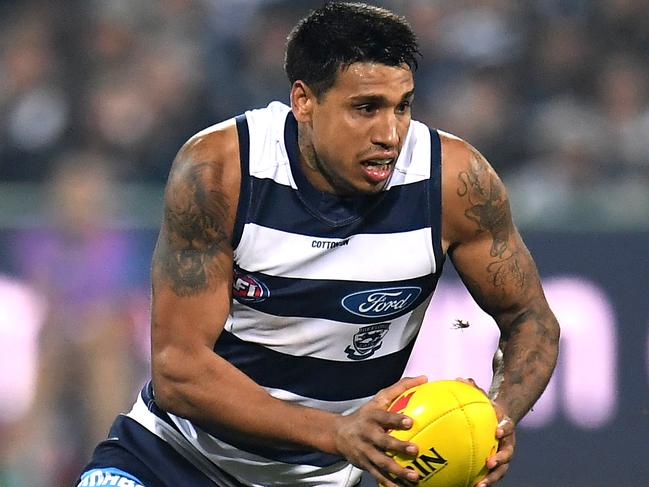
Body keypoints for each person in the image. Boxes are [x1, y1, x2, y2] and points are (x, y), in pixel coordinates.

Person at [76, 3, 560, 487]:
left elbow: (530, 321)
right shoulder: (221, 171)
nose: (390, 134)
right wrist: (335, 432)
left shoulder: (454, 183)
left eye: (403, 106)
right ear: (304, 101)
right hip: (171, 457)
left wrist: (495, 421)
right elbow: (179, 371)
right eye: (366, 108)